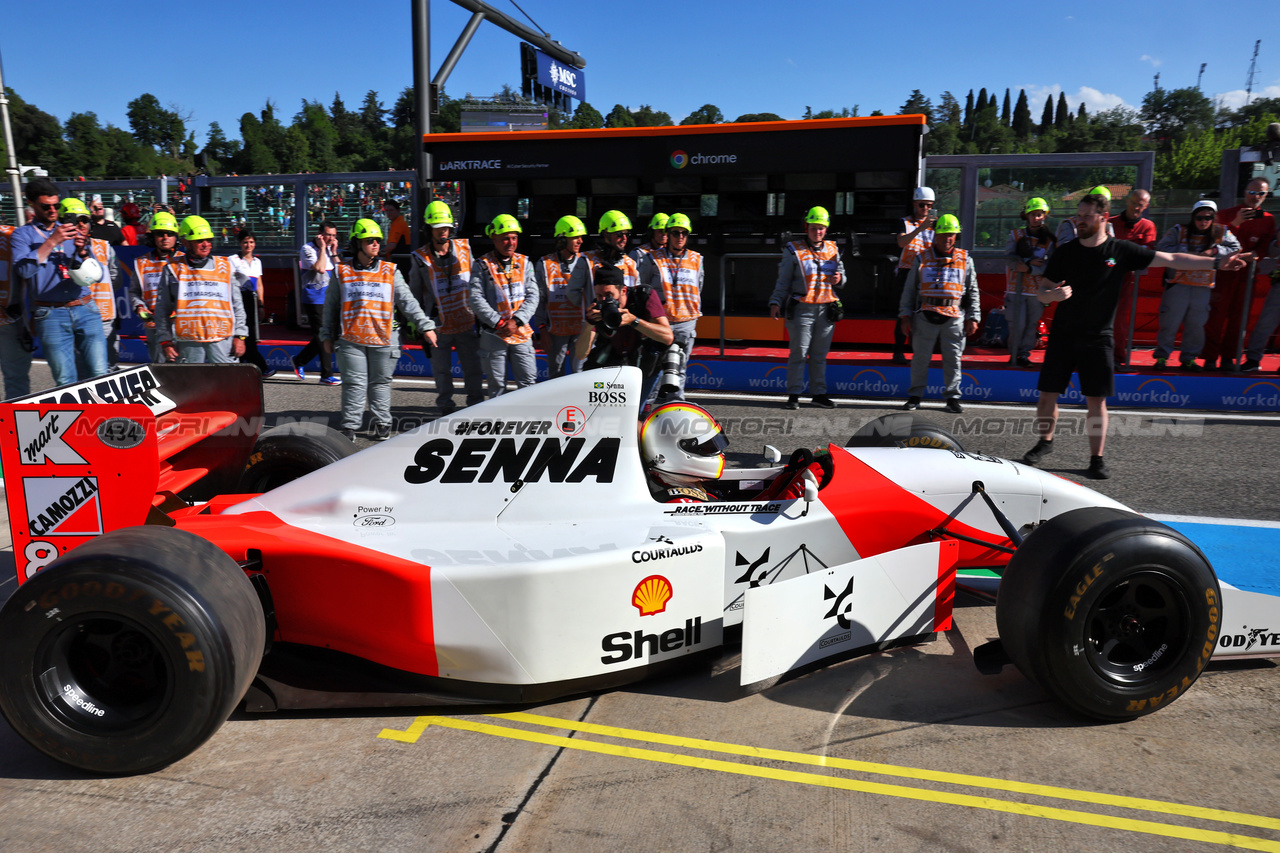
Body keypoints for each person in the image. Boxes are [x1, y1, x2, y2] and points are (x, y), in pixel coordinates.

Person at [1021, 193, 1245, 480]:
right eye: (1078, 215)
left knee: (1096, 400)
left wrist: (1215, 264)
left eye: (1087, 215)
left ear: (1103, 217)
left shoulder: (1122, 250)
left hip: (1098, 337)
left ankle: (1096, 459)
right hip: (1064, 335)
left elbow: (1172, 257)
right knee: (1047, 396)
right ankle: (1045, 443)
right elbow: (1042, 291)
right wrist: (1052, 295)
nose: (1080, 221)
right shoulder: (1065, 252)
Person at [321, 219, 436, 441]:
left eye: (377, 240)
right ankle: (350, 426)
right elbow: (330, 306)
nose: (375, 244)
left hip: (384, 340)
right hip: (351, 339)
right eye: (369, 240)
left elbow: (408, 303)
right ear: (357, 243)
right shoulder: (341, 272)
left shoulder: (390, 271)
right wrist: (326, 334)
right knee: (354, 383)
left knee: (380, 383)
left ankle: (382, 422)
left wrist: (425, 327)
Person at [13, 178, 109, 386]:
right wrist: (51, 242)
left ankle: (104, 419)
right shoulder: (22, 235)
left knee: (101, 374)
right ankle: (75, 419)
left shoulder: (72, 228)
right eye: (46, 206)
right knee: (66, 381)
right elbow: (23, 271)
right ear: (31, 203)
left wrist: (83, 253)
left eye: (56, 205)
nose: (53, 210)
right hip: (50, 313)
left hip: (85, 307)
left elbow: (98, 274)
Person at [898, 214, 979, 413]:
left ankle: (952, 398)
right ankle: (915, 396)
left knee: (953, 359)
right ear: (935, 235)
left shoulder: (965, 259)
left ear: (956, 236)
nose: (947, 239)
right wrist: (905, 315)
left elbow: (973, 290)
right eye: (943, 235)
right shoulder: (921, 258)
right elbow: (909, 289)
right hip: (926, 314)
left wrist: (974, 317)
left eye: (951, 235)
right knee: (920, 359)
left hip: (954, 316)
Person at [409, 200, 484, 412]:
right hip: (437, 325)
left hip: (466, 321)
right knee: (441, 371)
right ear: (429, 229)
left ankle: (476, 406)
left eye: (446, 227)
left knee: (473, 368)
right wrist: (418, 323)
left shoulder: (464, 248)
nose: (443, 232)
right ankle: (445, 408)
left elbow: (477, 282)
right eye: (438, 228)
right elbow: (414, 292)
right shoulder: (419, 257)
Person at [769, 206, 845, 409]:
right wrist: (776, 301)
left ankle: (818, 393)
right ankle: (794, 394)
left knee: (819, 356)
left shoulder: (833, 249)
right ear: (807, 227)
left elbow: (843, 278)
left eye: (821, 227)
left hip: (826, 309)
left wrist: (839, 278)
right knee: (799, 354)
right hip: (802, 309)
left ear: (826, 229)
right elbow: (783, 280)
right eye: (813, 227)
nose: (817, 231)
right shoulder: (793, 249)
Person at [1152, 201, 1241, 371]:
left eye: (1208, 217)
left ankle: (1189, 358)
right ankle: (1162, 357)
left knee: (1196, 325)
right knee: (1169, 322)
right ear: (1193, 217)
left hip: (1202, 285)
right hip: (1177, 284)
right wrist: (1188, 255)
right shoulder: (1179, 230)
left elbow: (1236, 247)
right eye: (1200, 217)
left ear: (1213, 218)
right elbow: (1161, 248)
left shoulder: (1221, 231)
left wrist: (1214, 251)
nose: (1203, 221)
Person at [1203, 178, 1276, 370]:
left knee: (1239, 318)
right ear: (1245, 192)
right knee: (1215, 316)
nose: (1256, 197)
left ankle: (1229, 357)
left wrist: (1251, 255)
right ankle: (1210, 357)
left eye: (1261, 193)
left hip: (1246, 273)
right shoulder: (1226, 214)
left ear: (1266, 195)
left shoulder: (1268, 219)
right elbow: (1216, 241)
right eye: (1252, 193)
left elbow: (1264, 249)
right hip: (1224, 272)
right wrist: (1236, 222)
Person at [576, 264, 673, 409]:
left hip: (644, 368)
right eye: (599, 296)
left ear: (624, 291)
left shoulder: (644, 296)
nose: (604, 300)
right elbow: (580, 354)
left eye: (609, 296)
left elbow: (667, 337)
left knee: (634, 417)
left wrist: (634, 321)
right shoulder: (598, 308)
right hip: (613, 368)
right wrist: (589, 324)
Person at [154, 215, 247, 364]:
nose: (205, 244)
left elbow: (237, 305)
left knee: (227, 384)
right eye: (199, 241)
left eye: (208, 240)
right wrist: (165, 340)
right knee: (191, 385)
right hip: (188, 342)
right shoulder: (172, 268)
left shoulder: (225, 266)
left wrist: (240, 336)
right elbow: (161, 308)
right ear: (185, 242)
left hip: (222, 340)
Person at [468, 214, 538, 398]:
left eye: (514, 238)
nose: (510, 242)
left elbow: (533, 296)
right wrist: (498, 323)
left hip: (521, 332)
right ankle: (498, 424)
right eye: (505, 238)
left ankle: (527, 422)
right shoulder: (481, 265)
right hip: (494, 334)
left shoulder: (525, 262)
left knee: (528, 382)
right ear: (494, 238)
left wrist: (517, 320)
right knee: (496, 386)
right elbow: (475, 298)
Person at [648, 213, 704, 401]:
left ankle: (676, 405)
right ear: (668, 234)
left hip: (686, 321)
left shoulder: (697, 259)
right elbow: (644, 288)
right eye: (675, 233)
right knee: (655, 366)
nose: (680, 237)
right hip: (660, 322)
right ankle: (648, 408)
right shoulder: (653, 258)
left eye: (683, 233)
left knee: (679, 367)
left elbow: (699, 286)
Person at [534, 214, 591, 379]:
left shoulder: (587, 261)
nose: (580, 241)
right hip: (556, 331)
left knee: (580, 375)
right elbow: (539, 300)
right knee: (555, 375)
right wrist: (542, 329)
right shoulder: (545, 264)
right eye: (575, 237)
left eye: (581, 237)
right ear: (562, 239)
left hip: (581, 330)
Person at [70, 199, 123, 374]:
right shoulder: (61, 249)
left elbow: (116, 278)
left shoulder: (105, 246)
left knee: (108, 369)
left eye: (84, 220)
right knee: (83, 370)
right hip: (79, 317)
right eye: (76, 220)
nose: (81, 224)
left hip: (105, 315)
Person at [1003, 198, 1056, 368]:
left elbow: (1050, 266)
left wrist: (1031, 269)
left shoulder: (1050, 240)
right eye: (1033, 215)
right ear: (1026, 216)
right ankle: (1014, 354)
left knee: (1031, 325)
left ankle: (1024, 354)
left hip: (1037, 290)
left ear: (1044, 216)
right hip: (1015, 289)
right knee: (1017, 324)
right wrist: (1027, 263)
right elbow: (1009, 258)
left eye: (1039, 215)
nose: (1036, 218)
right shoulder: (1016, 235)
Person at [1108, 189, 1158, 368]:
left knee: (1119, 320)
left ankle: (1116, 356)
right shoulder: (1110, 222)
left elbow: (1145, 253)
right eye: (1134, 202)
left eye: (1141, 204)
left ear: (1146, 206)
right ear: (1127, 201)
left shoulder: (1147, 226)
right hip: (1104, 278)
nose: (1136, 207)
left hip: (1125, 280)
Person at [129, 211, 182, 363]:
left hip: (181, 324)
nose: (165, 238)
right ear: (152, 237)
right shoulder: (141, 262)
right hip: (154, 324)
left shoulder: (184, 261)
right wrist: (139, 307)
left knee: (184, 370)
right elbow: (134, 292)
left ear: (176, 237)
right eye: (160, 234)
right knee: (160, 370)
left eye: (169, 234)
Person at [893, 188, 937, 363]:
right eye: (921, 205)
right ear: (914, 204)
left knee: (924, 313)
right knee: (904, 312)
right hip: (907, 271)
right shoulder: (905, 222)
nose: (925, 209)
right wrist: (921, 228)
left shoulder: (936, 224)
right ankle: (898, 351)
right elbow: (901, 242)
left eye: (929, 206)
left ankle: (921, 352)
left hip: (927, 273)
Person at [295, 221, 341, 384]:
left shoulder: (330, 249)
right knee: (323, 335)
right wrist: (322, 248)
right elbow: (320, 268)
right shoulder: (307, 249)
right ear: (320, 234)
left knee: (328, 334)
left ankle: (299, 360)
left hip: (329, 297)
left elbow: (340, 270)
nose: (331, 238)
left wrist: (333, 252)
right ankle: (326, 374)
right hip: (314, 297)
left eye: (334, 235)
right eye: (328, 235)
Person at [229, 228, 273, 376]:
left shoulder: (257, 262)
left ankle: (247, 366)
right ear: (240, 244)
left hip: (252, 300)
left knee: (252, 334)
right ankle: (260, 367)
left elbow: (259, 284)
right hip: (239, 299)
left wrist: (261, 304)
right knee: (247, 334)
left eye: (251, 242)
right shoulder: (233, 260)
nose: (248, 245)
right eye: (245, 242)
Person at [0, 221, 33, 399]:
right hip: (11, 317)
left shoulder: (14, 234)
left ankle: (17, 423)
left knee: (16, 380)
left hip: (10, 318)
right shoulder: (14, 233)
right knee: (16, 380)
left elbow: (29, 276)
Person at [585, 210, 640, 287]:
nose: (624, 238)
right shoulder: (586, 262)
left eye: (626, 234)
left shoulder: (631, 264)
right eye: (619, 234)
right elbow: (573, 293)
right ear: (606, 234)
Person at [629, 213, 668, 286]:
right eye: (660, 231)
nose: (664, 234)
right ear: (652, 232)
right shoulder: (638, 253)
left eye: (666, 231)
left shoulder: (671, 255)